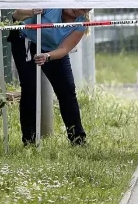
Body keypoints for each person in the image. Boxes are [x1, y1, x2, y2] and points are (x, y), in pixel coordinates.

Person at [8, 8, 90, 146]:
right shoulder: (50, 6)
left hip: (53, 50)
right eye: (77, 6)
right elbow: (16, 15)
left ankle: (78, 139)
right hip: (26, 40)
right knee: (30, 88)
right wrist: (31, 12)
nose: (78, 10)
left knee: (67, 90)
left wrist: (47, 56)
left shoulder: (81, 23)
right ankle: (30, 141)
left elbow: (64, 49)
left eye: (85, 9)